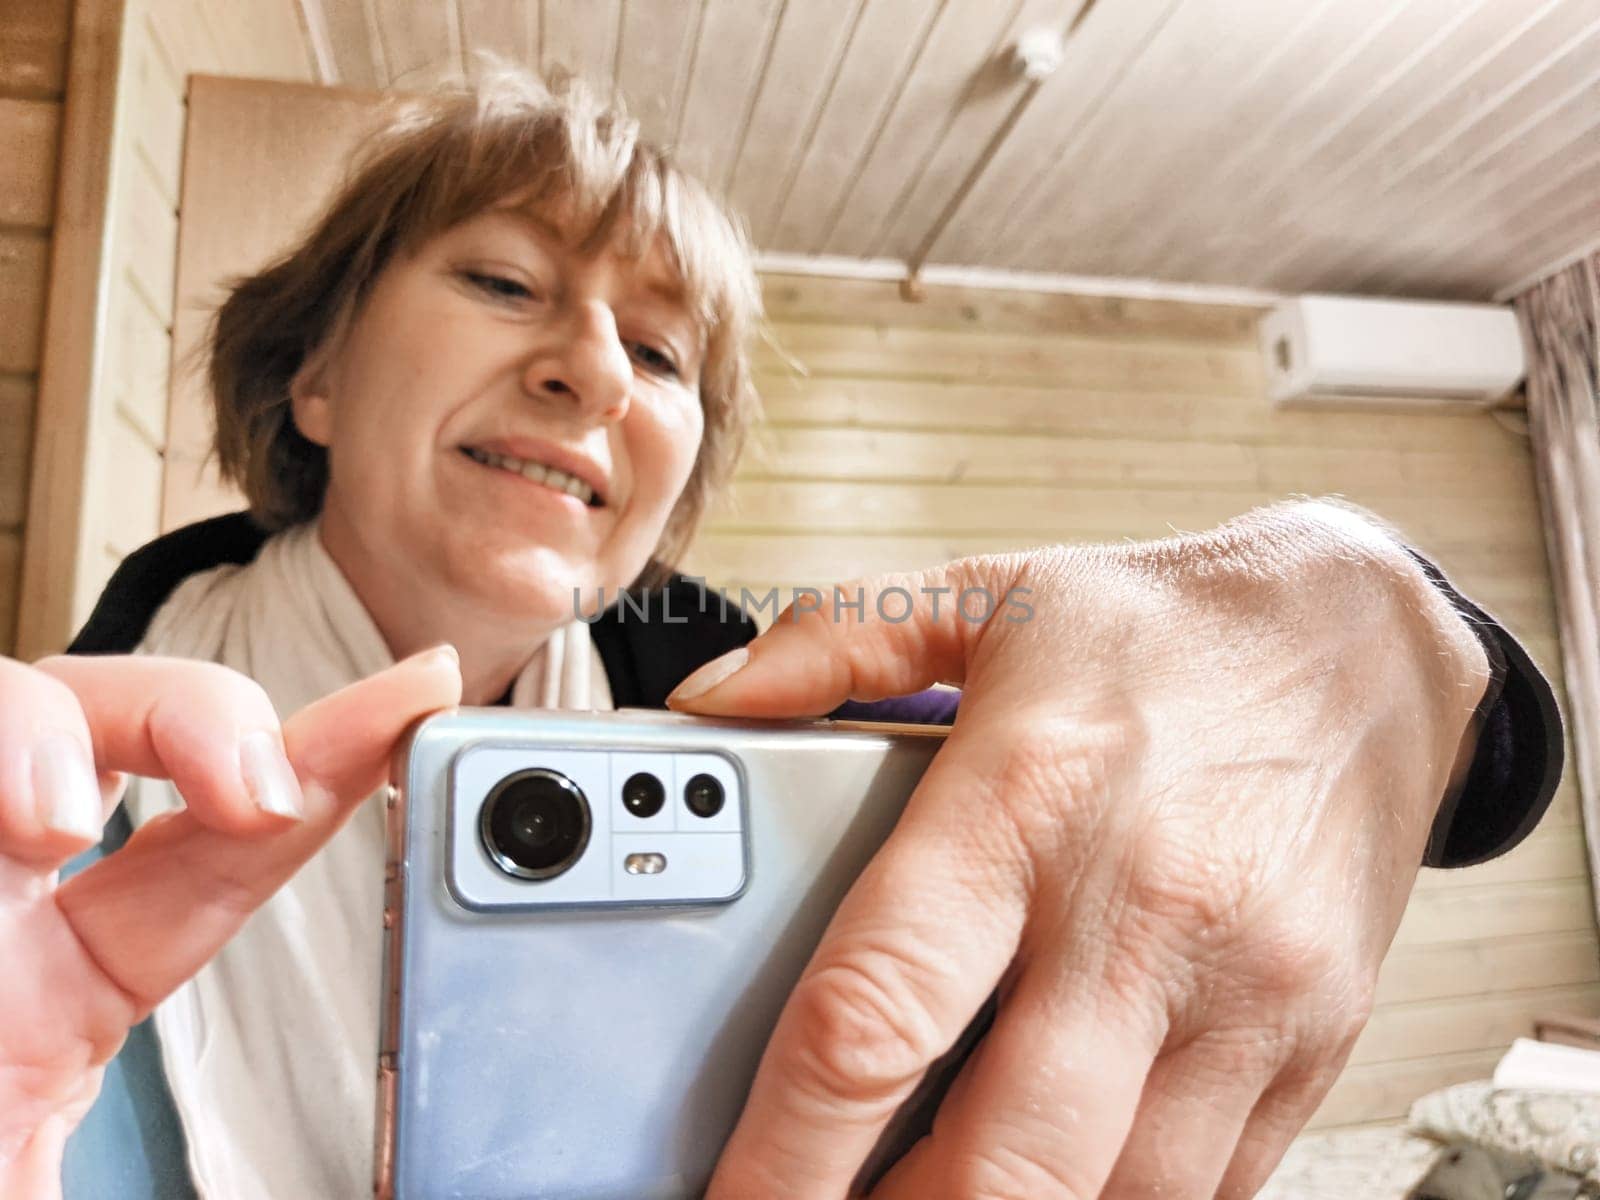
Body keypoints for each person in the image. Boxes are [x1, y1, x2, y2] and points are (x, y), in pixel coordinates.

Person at [0, 70, 1561, 1200]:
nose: (595, 372)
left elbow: (1158, 754)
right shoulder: (47, 815)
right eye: (502, 279)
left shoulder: (754, 712)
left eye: (662, 350)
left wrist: (1382, 620)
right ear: (316, 378)